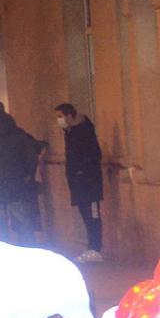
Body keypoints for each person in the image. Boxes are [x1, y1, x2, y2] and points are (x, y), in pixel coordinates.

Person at [0, 100, 43, 245]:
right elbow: (30, 156)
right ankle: (28, 253)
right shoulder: (17, 133)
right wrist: (27, 175)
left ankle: (3, 259)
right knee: (24, 225)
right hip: (17, 185)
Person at [57, 102, 103, 262]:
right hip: (80, 183)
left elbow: (93, 154)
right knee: (86, 215)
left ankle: (95, 248)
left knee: (92, 216)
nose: (59, 120)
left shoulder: (83, 131)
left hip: (89, 183)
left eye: (60, 116)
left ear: (70, 115)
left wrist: (81, 172)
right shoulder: (70, 132)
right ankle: (91, 248)